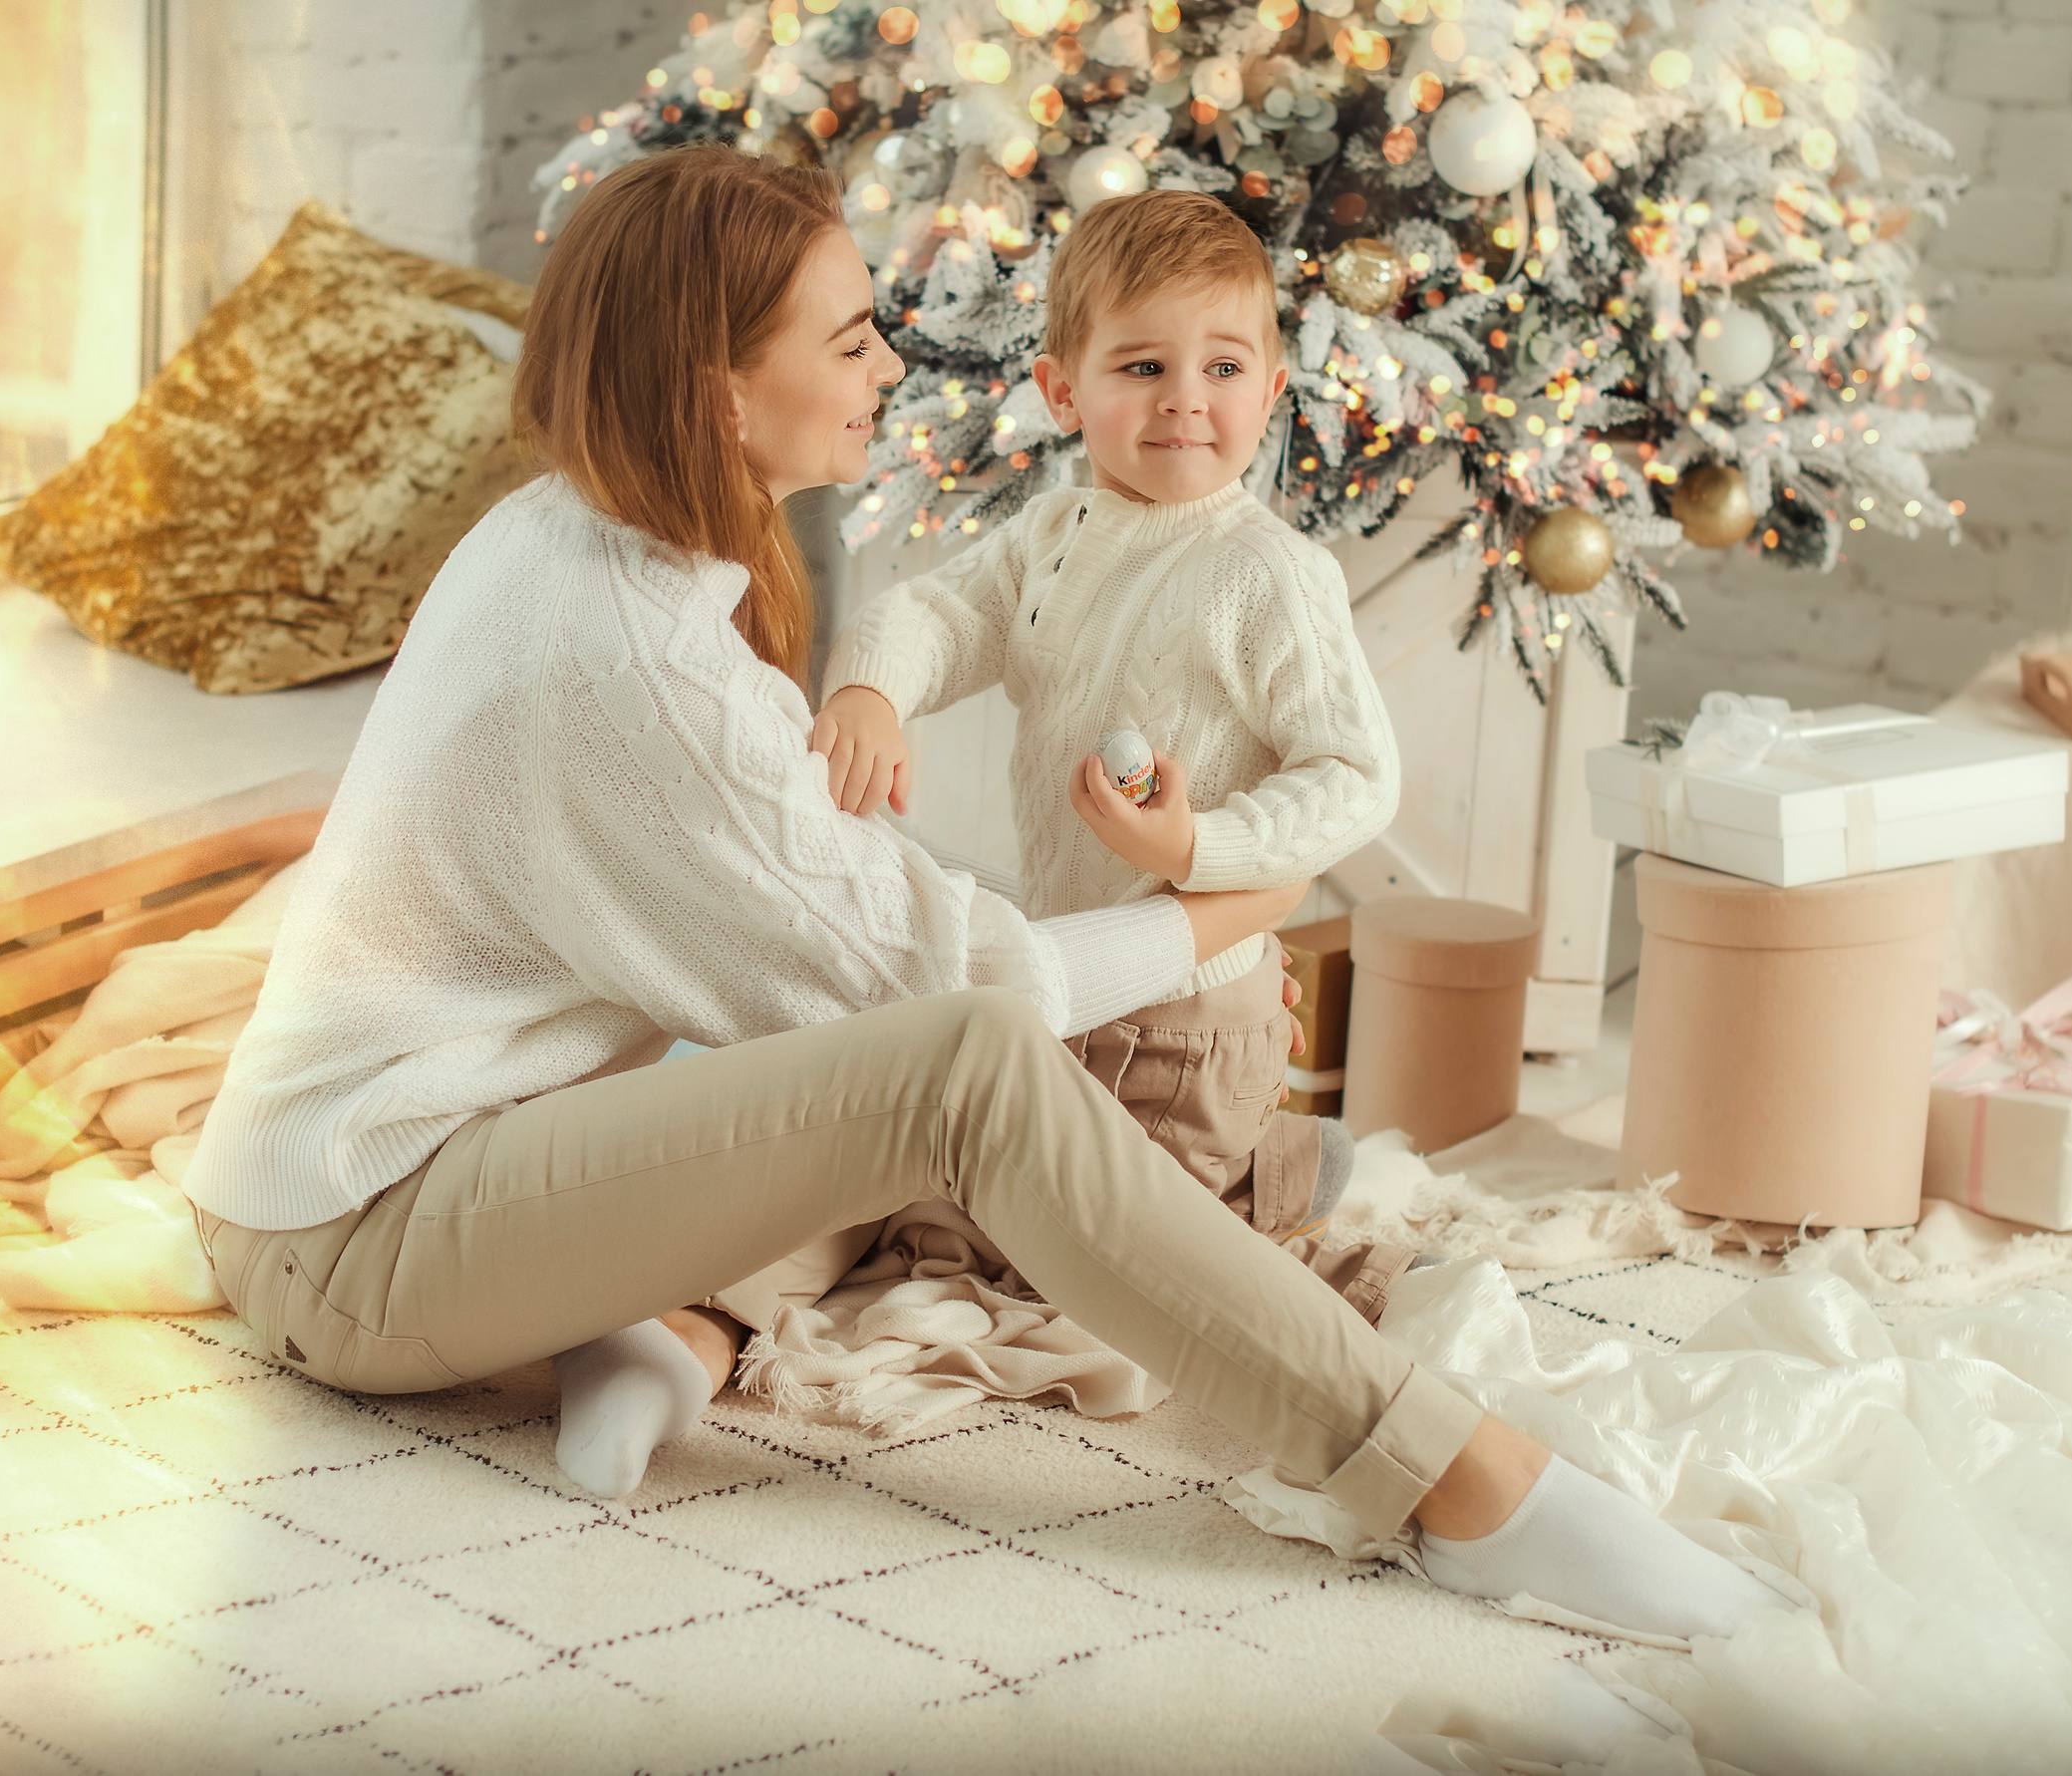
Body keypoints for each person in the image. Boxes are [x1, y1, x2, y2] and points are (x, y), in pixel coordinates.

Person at [177, 148, 1785, 1752]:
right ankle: (1462, 1481)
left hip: (385, 1174)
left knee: (843, 1014)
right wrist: (1222, 907)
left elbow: (840, 940)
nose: (890, 365)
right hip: (363, 1237)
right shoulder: (640, 663)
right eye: (851, 338)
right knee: (960, 1058)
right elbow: (972, 998)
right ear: (722, 393)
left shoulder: (572, 534)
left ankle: (676, 1328)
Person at [806, 189, 1418, 1321]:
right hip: (1076, 968)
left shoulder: (1268, 574)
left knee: (1097, 1268)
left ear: (1271, 391)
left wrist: (1197, 844)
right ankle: (1261, 1171)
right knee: (997, 1184)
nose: (1185, 398)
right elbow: (941, 612)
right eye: (1142, 367)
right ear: (1061, 392)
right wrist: (870, 691)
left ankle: (1306, 1237)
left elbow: (1356, 775)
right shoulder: (1054, 533)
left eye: (1223, 368)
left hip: (1186, 1008)